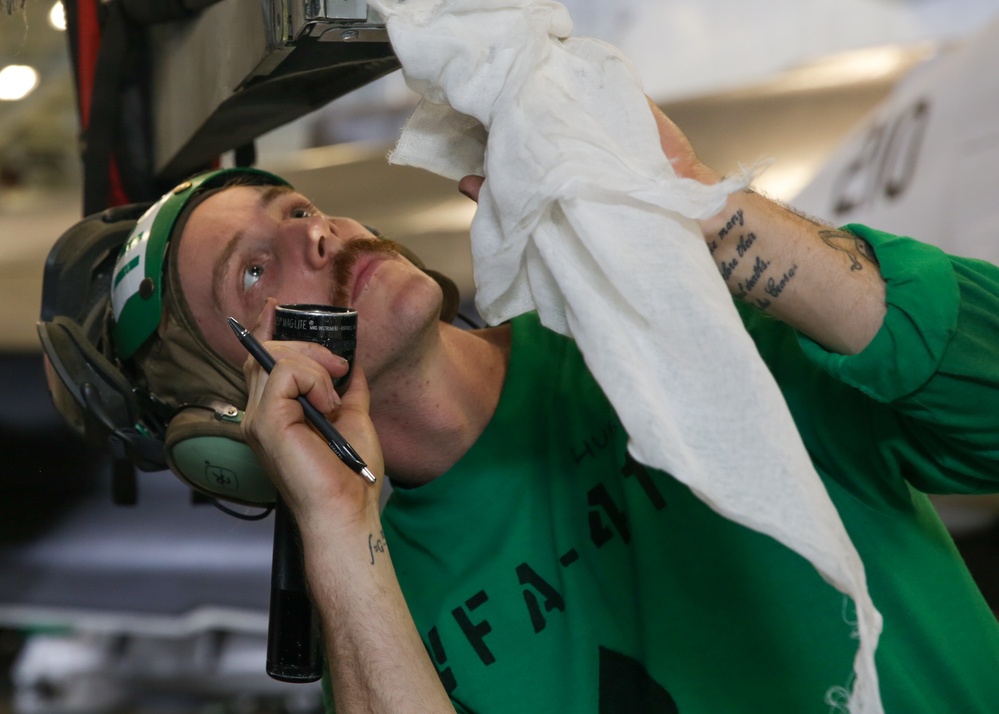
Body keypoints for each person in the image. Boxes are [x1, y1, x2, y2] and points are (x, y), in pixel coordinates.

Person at [108, 102, 999, 712]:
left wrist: (694, 204)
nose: (317, 232)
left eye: (296, 207)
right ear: (237, 413)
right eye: (255, 273)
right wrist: (337, 523)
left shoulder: (686, 334)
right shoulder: (373, 607)